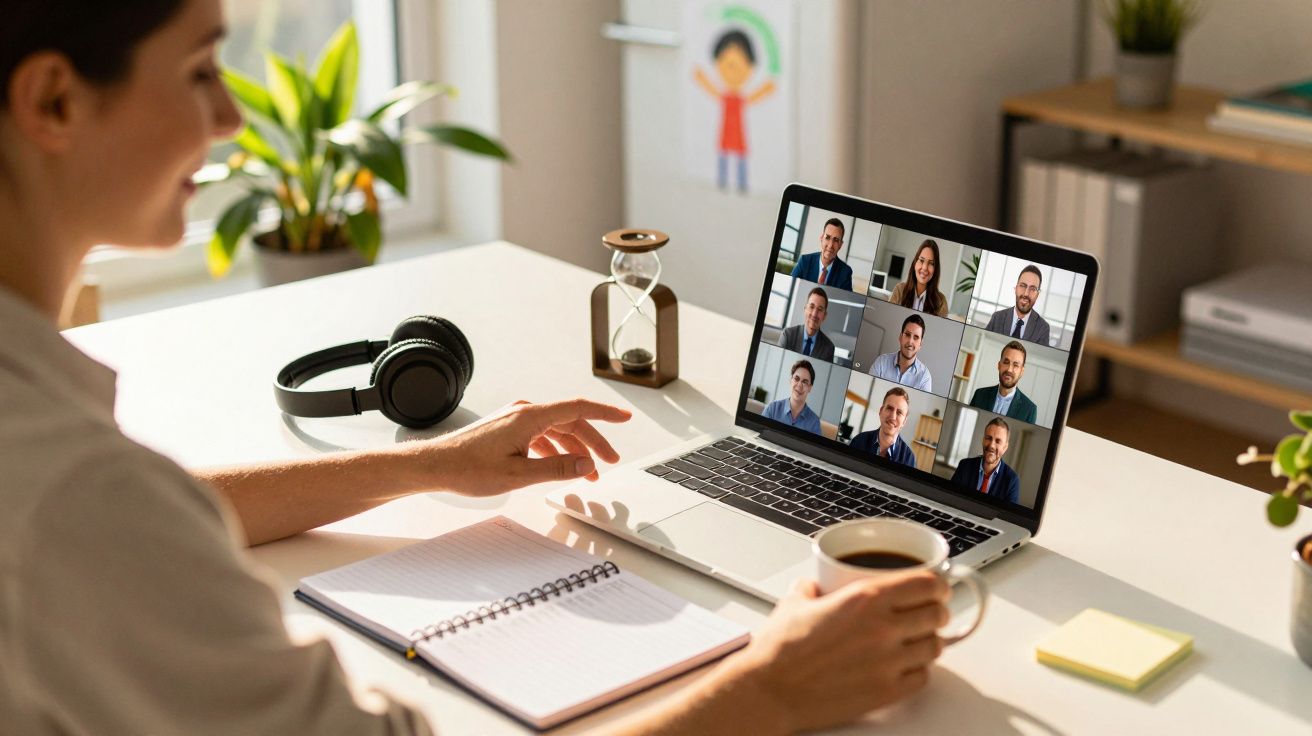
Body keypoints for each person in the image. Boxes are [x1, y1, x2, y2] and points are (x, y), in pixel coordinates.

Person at [0, 4, 950, 733]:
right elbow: (112, 519)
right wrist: (771, 689)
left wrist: (422, 467)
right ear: (52, 100)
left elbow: (161, 512)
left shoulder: (57, 470)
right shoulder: (75, 497)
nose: (230, 115)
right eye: (201, 68)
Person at [693, 29, 775, 193]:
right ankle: (723, 180)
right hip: (725, 133)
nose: (733, 69)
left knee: (740, 158)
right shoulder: (726, 97)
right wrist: (702, 79)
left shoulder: (740, 99)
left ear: (751, 67)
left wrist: (766, 89)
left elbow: (753, 97)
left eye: (740, 63)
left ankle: (741, 182)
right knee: (724, 156)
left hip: (738, 133)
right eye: (726, 64)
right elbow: (713, 90)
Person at [950, 418, 1021, 505]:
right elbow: (950, 498)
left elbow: (1008, 516)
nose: (991, 445)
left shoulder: (1012, 480)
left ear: (1005, 447)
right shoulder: (964, 466)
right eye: (988, 438)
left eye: (998, 441)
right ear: (983, 440)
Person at [969, 341, 1038, 424]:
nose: (1009, 369)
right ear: (999, 365)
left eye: (1015, 365)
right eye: (1006, 362)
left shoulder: (1029, 409)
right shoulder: (979, 395)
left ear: (1022, 371)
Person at [848, 387, 917, 468]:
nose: (893, 417)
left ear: (904, 421)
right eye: (889, 408)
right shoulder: (859, 441)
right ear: (881, 411)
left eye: (899, 413)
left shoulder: (909, 458)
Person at [984, 264, 1051, 346]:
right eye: (1023, 286)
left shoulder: (1043, 328)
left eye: (1033, 289)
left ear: (1037, 294)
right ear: (1016, 289)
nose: (1026, 294)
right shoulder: (997, 317)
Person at [869, 314, 933, 393]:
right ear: (900, 337)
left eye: (916, 337)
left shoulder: (924, 377)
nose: (910, 341)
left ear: (920, 344)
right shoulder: (881, 362)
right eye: (907, 334)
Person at [761, 360, 824, 435]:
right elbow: (759, 435)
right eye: (796, 379)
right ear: (791, 381)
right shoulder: (772, 409)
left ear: (810, 388)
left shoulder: (814, 423)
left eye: (805, 382)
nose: (799, 385)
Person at [888, 239, 948, 317]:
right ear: (915, 263)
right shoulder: (899, 290)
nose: (924, 268)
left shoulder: (941, 302)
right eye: (922, 260)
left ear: (935, 269)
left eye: (931, 263)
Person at [790, 217, 854, 290]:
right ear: (821, 238)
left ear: (840, 245)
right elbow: (790, 287)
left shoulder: (845, 272)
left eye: (836, 240)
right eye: (827, 237)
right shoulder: (804, 261)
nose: (830, 245)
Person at [778, 286, 834, 361]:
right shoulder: (787, 335)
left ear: (824, 316)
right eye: (811, 307)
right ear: (805, 309)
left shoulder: (828, 347)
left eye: (820, 309)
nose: (814, 314)